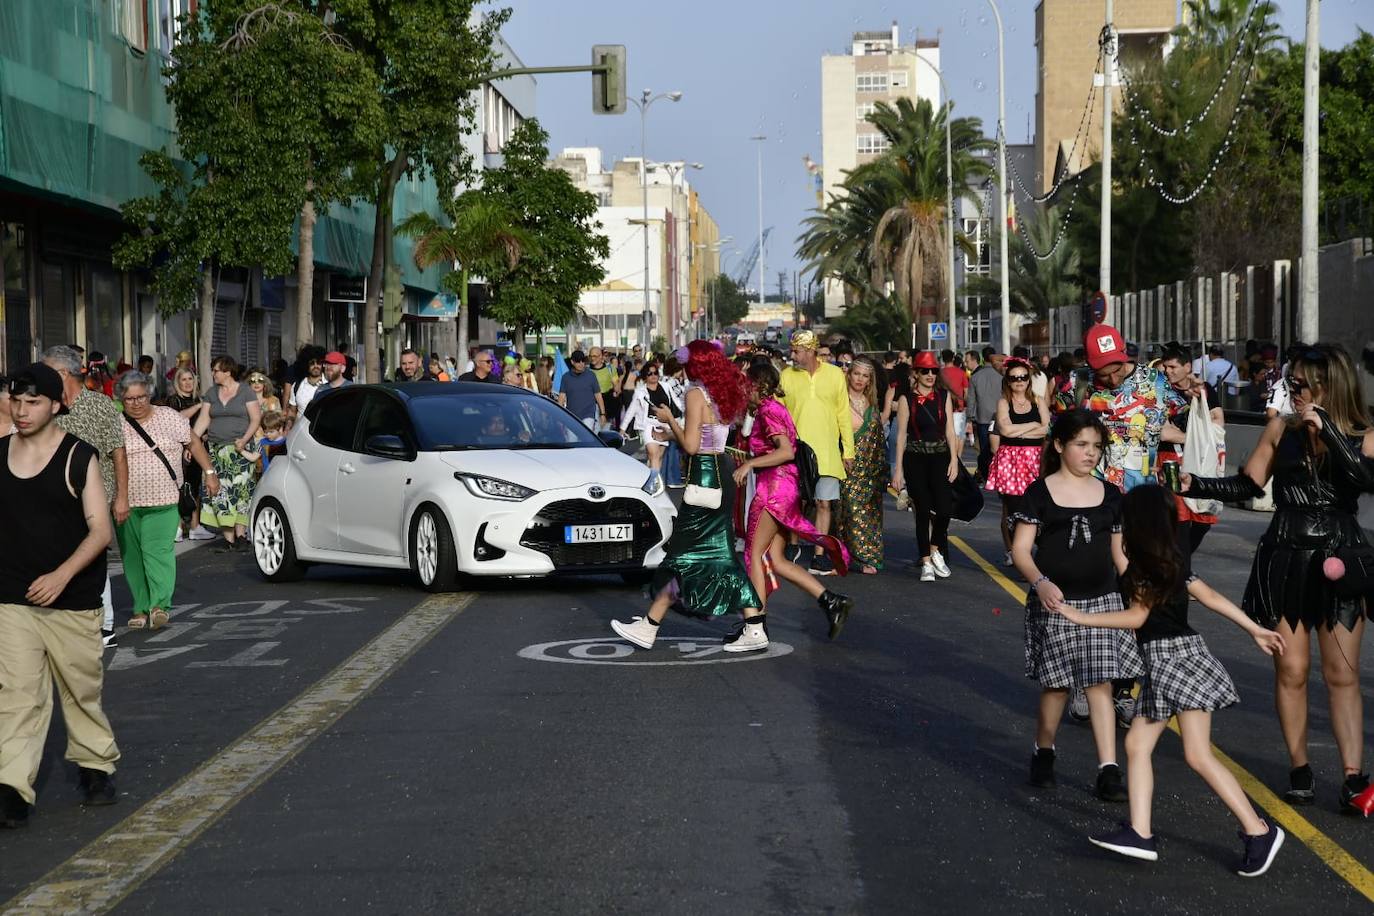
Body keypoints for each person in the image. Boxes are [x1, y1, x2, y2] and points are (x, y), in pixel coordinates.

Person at [1055, 485, 1287, 876]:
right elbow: (1210, 596)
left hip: (1171, 658)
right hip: (1181, 655)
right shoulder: (1170, 561)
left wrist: (1081, 617)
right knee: (1141, 744)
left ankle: (1257, 830)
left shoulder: (1143, 567)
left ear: (1135, 523)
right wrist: (1254, 629)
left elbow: (1136, 618)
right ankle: (1141, 833)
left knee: (1193, 754)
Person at [1182, 343, 1374, 811]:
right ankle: (1299, 768)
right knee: (1291, 670)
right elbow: (1249, 484)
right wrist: (1196, 484)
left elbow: (1364, 481)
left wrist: (1325, 426)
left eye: (1301, 383)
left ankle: (1353, 777)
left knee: (1341, 674)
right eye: (1291, 382)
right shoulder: (1279, 428)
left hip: (1340, 557)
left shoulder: (1365, 432)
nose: (1293, 390)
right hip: (1286, 555)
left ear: (1329, 384)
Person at [0, 363, 120, 828]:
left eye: (33, 402)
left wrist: (61, 575)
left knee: (80, 690)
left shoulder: (78, 456)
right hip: (13, 597)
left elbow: (100, 531)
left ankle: (95, 766)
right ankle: (12, 787)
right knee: (17, 695)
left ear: (56, 405)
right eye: (17, 400)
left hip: (71, 598)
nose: (23, 410)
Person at [1011, 409, 1141, 801]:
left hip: (1103, 601)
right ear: (1059, 446)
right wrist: (1041, 582)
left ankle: (1108, 769)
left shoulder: (1112, 495)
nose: (1090, 454)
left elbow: (1120, 555)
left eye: (1097, 447)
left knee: (1100, 684)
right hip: (1056, 604)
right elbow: (1020, 550)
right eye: (1081, 445)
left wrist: (1138, 589)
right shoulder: (1039, 493)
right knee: (1057, 687)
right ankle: (1044, 752)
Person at [610, 341, 768, 652]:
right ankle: (654, 624)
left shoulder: (695, 393)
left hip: (704, 475)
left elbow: (694, 446)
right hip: (722, 469)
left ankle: (652, 625)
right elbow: (712, 435)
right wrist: (674, 432)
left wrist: (670, 421)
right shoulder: (723, 391)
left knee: (686, 554)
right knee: (711, 554)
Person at [739, 362, 853, 637]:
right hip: (785, 488)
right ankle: (831, 601)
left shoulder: (768, 410)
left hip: (774, 489)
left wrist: (749, 464)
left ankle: (755, 627)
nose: (743, 390)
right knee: (776, 559)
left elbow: (786, 451)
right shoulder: (774, 408)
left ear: (757, 385)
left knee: (752, 554)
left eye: (746, 385)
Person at [114, 372, 218, 631]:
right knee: (133, 557)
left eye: (141, 397)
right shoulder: (116, 424)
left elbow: (193, 443)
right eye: (129, 399)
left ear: (150, 395)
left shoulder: (168, 417)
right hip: (127, 502)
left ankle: (159, 605)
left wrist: (210, 473)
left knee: (156, 551)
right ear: (121, 400)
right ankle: (140, 607)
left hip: (165, 500)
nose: (136, 403)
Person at [45, 346, 128, 649]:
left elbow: (118, 453)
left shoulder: (100, 406)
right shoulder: (47, 406)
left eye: (47, 369)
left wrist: (122, 496)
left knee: (92, 557)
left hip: (95, 495)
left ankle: (104, 624)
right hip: (54, 495)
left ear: (63, 373)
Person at [781, 330, 854, 576]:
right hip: (796, 451)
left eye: (797, 351)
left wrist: (848, 451)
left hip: (827, 452)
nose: (793, 356)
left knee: (824, 503)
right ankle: (792, 544)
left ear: (810, 351)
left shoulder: (834, 374)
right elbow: (777, 413)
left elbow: (843, 414)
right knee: (795, 501)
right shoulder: (786, 376)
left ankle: (819, 555)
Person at [891, 351, 961, 582]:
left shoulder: (943, 396)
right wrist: (898, 470)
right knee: (922, 511)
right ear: (916, 373)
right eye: (925, 371)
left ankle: (934, 549)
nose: (930, 375)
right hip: (915, 459)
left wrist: (954, 459)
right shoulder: (906, 399)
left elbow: (950, 430)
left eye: (933, 371)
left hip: (940, 457)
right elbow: (901, 436)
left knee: (944, 509)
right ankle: (926, 562)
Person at [1158, 343, 1226, 555]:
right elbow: (1163, 432)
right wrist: (1196, 438)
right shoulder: (1160, 391)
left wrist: (1194, 438)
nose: (1168, 371)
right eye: (1165, 367)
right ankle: (1178, 566)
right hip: (1170, 458)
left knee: (1203, 518)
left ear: (1187, 367)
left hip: (1201, 460)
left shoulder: (1203, 389)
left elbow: (1217, 421)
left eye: (1172, 367)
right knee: (1179, 517)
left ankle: (1179, 559)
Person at [193, 357, 262, 552]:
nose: (213, 374)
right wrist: (192, 442)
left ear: (228, 372)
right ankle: (229, 538)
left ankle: (241, 536)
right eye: (213, 370)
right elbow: (204, 419)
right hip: (216, 451)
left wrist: (244, 439)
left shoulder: (245, 391)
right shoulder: (211, 393)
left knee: (241, 492)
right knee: (219, 494)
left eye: (216, 370)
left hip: (240, 449)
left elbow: (256, 419)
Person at [987, 357, 1050, 566]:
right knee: (1013, 510)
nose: (1019, 381)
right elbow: (1004, 430)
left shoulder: (1039, 400)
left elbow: (1046, 429)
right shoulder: (1003, 402)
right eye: (1014, 378)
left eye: (1023, 377)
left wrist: (1020, 432)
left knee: (1040, 507)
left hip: (1035, 460)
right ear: (1008, 380)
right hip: (1010, 461)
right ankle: (1019, 556)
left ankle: (1041, 550)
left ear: (1029, 379)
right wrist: (1033, 425)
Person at [836, 356, 887, 574]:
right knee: (849, 511)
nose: (860, 379)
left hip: (872, 470)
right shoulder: (840, 400)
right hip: (848, 466)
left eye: (865, 376)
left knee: (872, 513)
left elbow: (877, 434)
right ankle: (850, 554)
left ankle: (870, 557)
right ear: (849, 374)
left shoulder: (871, 402)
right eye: (856, 373)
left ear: (869, 380)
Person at [621, 361, 679, 490]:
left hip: (664, 425)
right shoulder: (640, 392)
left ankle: (648, 479)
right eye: (649, 373)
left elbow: (677, 403)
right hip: (647, 425)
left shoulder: (666, 386)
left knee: (658, 457)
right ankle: (653, 485)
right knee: (653, 454)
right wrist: (622, 428)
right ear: (645, 376)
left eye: (655, 373)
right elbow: (631, 410)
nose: (653, 376)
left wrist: (683, 418)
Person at [966, 347, 1004, 482]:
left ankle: (987, 475)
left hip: (982, 417)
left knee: (984, 449)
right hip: (1000, 417)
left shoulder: (975, 377)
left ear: (982, 358)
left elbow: (971, 399)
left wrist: (969, 418)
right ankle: (999, 473)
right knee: (999, 449)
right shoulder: (1002, 376)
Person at [558, 350, 605, 432]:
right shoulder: (566, 377)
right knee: (572, 441)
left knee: (587, 437)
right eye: (578, 362)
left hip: (588, 414)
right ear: (572, 362)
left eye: (583, 361)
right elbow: (561, 397)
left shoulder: (591, 375)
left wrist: (603, 414)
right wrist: (559, 416)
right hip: (571, 416)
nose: (581, 364)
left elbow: (598, 395)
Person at [940, 349, 968, 441]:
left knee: (946, 435)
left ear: (943, 359)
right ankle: (957, 455)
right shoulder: (961, 373)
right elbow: (966, 392)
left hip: (943, 407)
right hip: (958, 407)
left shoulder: (940, 373)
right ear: (953, 358)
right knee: (959, 436)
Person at [289, 351, 326, 416]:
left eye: (319, 363)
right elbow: (292, 411)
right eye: (312, 363)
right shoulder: (297, 385)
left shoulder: (330, 383)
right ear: (305, 365)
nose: (316, 366)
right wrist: (288, 424)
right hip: (301, 425)